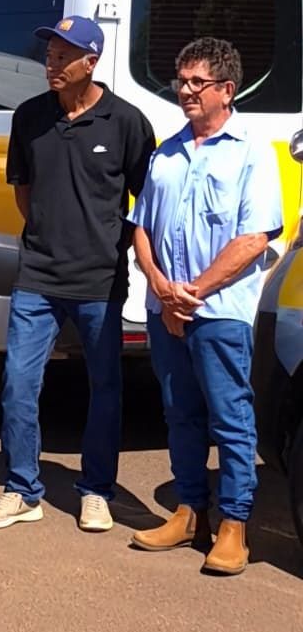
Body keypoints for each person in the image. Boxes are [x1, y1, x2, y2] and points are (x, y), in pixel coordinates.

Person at [0, 15, 155, 533]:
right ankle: (21, 490)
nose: (50, 64)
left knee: (106, 387)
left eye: (62, 56)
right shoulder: (29, 117)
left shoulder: (126, 121)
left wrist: (117, 246)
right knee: (18, 385)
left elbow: (148, 198)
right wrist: (50, 236)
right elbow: (24, 191)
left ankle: (95, 489)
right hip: (37, 275)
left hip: (99, 280)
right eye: (49, 54)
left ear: (89, 62)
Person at [129, 37, 282, 575]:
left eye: (197, 82)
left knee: (231, 419)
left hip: (218, 313)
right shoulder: (166, 151)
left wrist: (190, 292)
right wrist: (160, 286)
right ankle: (189, 512)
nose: (185, 90)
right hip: (164, 307)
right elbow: (141, 228)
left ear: (227, 90)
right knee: (180, 414)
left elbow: (253, 239)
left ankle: (234, 526)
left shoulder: (252, 152)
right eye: (181, 79)